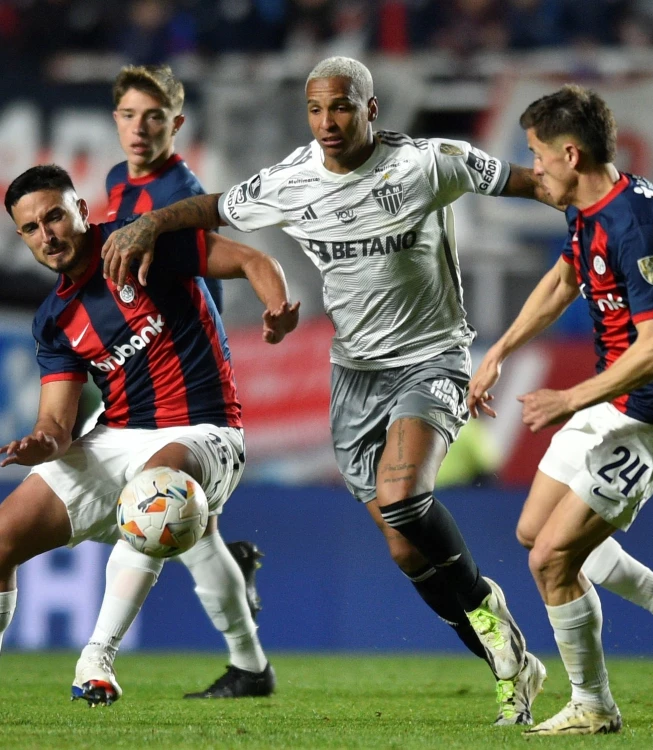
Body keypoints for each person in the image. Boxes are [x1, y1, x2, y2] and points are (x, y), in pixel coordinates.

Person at [97, 55, 560, 727]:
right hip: (355, 378)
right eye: (315, 110)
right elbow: (215, 206)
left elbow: (532, 183)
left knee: (405, 500)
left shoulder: (430, 163)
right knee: (405, 548)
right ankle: (507, 665)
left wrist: (600, 204)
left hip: (431, 358)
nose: (327, 122)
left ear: (371, 109)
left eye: (340, 107)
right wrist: (151, 224)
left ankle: (497, 624)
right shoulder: (292, 180)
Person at [468, 84, 653, 735]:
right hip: (612, 402)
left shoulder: (635, 222)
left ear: (571, 153)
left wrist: (569, 397)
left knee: (551, 558)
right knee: (535, 533)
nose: (533, 168)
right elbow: (562, 281)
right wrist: (498, 350)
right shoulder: (588, 209)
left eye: (537, 154)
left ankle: (593, 705)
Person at [0, 165, 299, 706]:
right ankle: (251, 665)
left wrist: (276, 307)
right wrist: (38, 444)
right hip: (119, 434)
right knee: (1, 539)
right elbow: (57, 425)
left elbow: (254, 259)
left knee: (156, 495)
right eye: (31, 228)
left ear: (81, 212)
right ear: (21, 237)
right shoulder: (54, 319)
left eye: (54, 217)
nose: (47, 235)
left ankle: (97, 659)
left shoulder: (140, 240)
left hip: (208, 430)